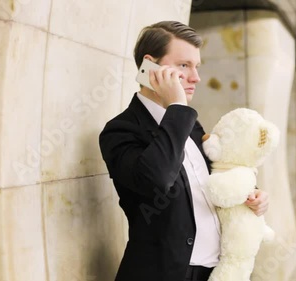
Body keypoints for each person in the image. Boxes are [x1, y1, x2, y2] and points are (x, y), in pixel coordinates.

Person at [99, 21, 270, 281]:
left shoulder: (190, 125)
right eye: (183, 66)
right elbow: (156, 179)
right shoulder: (121, 131)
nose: (195, 77)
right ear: (150, 65)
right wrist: (176, 108)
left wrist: (251, 196)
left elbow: (213, 183)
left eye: (196, 67)